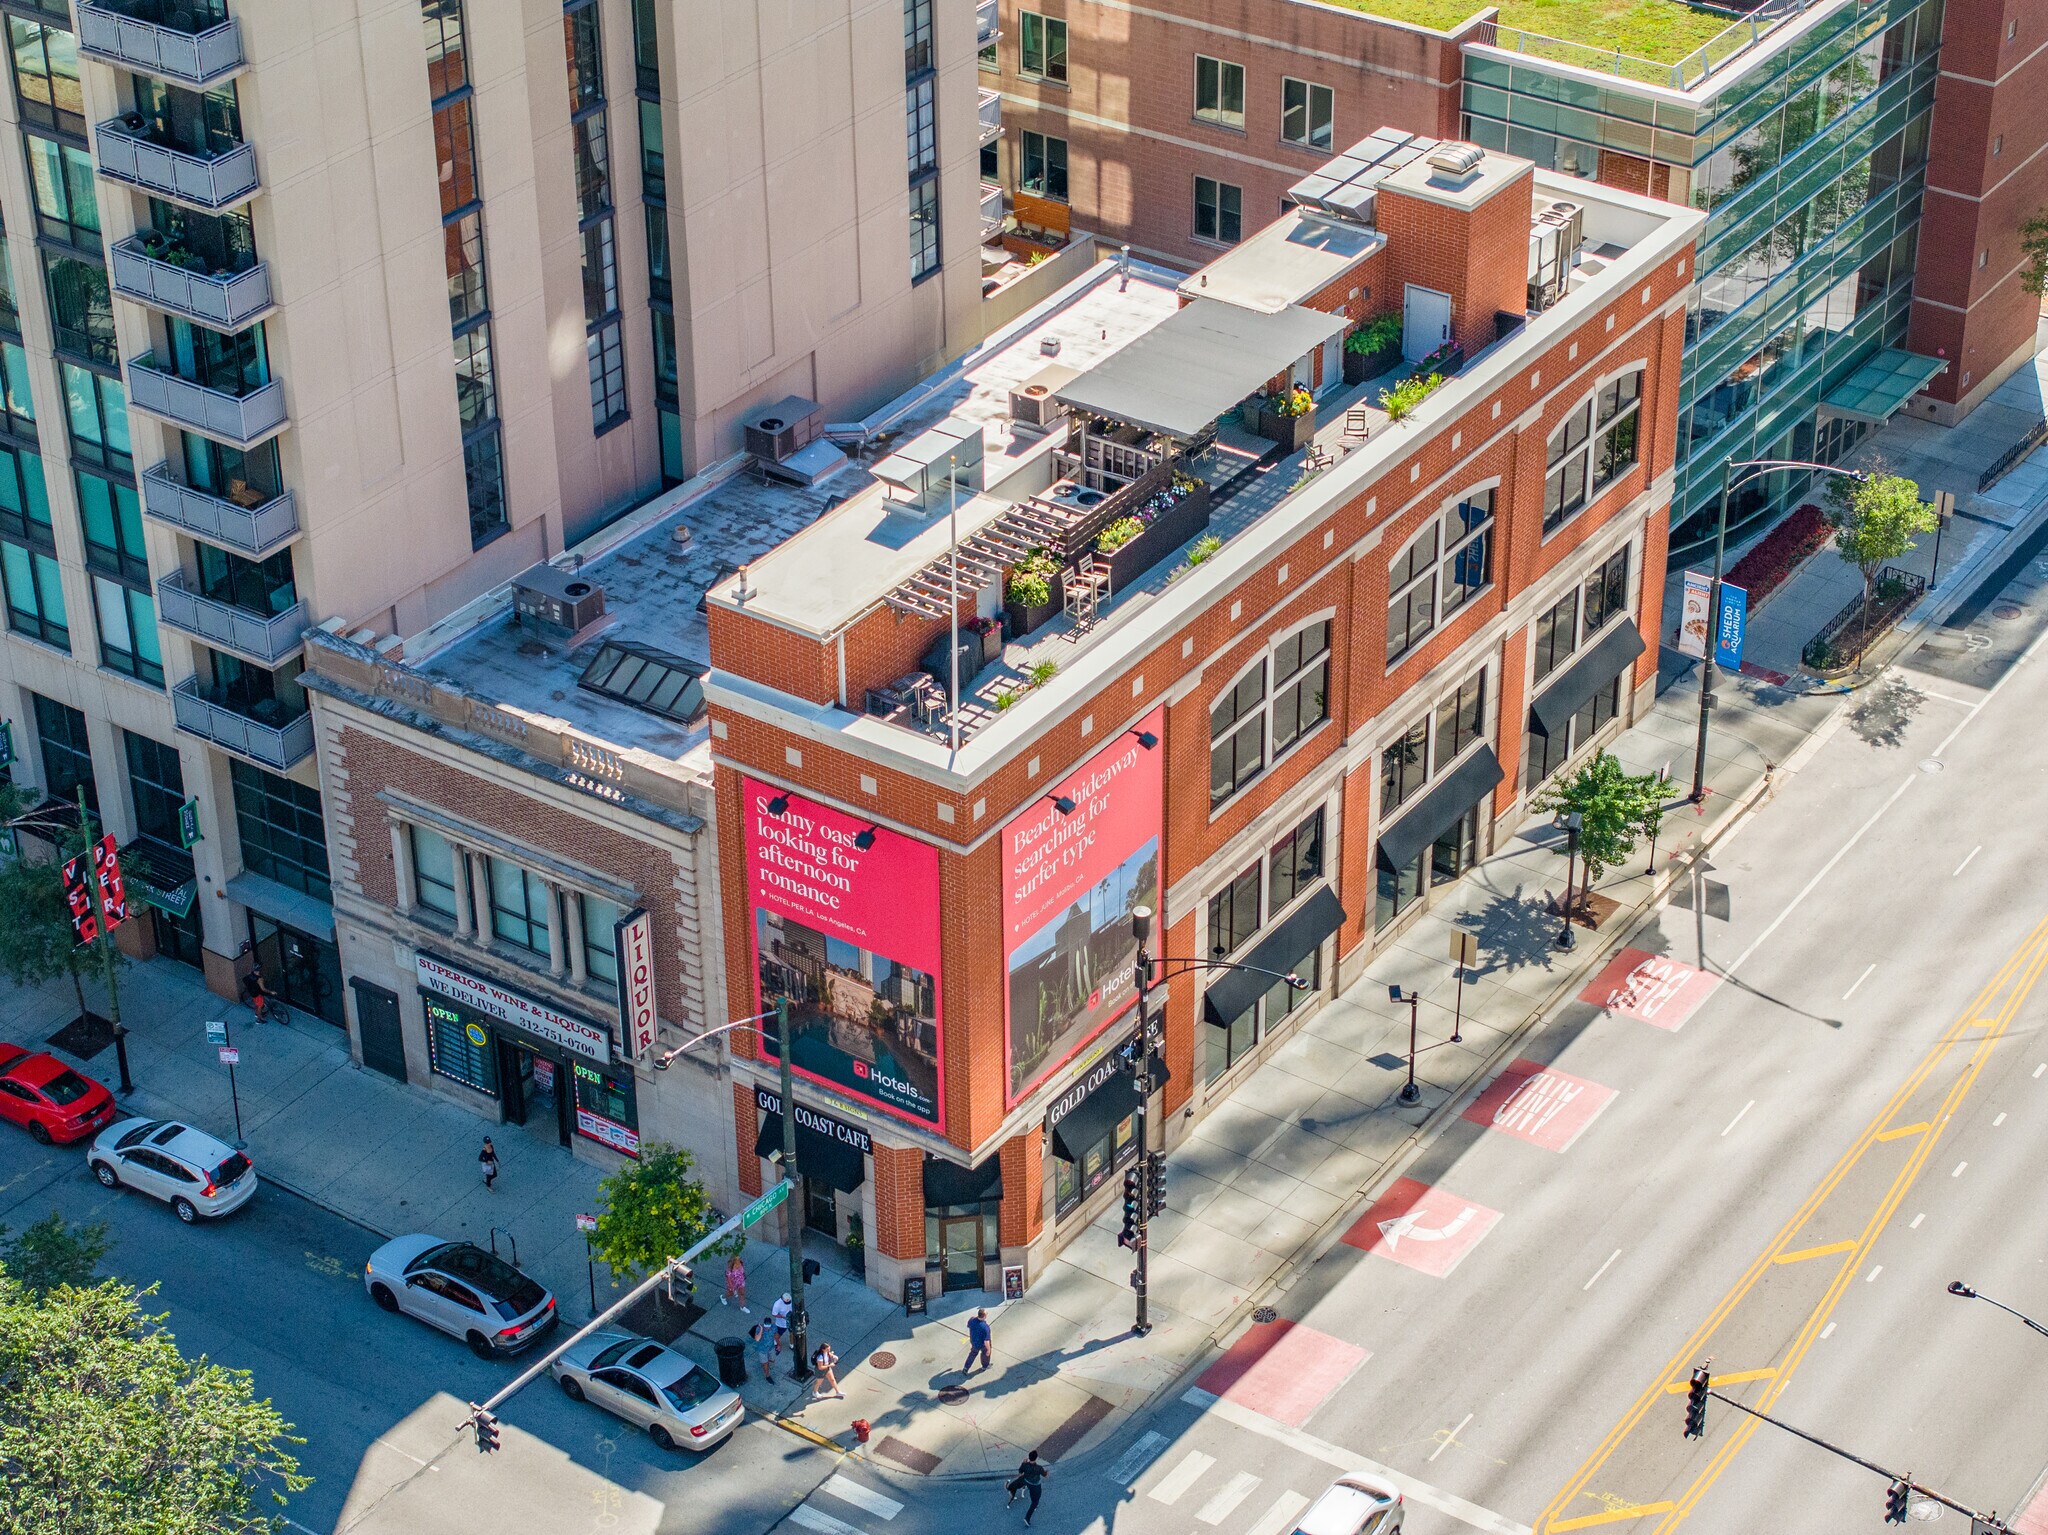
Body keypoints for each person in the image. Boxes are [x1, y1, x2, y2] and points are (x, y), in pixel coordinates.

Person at [1005, 1450, 1049, 1525]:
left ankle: (1030, 1501)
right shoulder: (1039, 1468)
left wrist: (1023, 1463)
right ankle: (1027, 1518)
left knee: (1031, 1493)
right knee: (1036, 1501)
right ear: (1036, 1458)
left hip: (1026, 1482)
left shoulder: (1024, 1465)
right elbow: (1046, 1476)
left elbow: (1020, 1472)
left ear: (1029, 1457)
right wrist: (1047, 1472)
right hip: (1035, 1485)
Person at [964, 1307, 993, 1376]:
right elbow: (986, 1341)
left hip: (974, 1342)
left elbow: (968, 1326)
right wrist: (989, 1350)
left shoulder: (972, 1320)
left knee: (972, 1354)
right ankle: (985, 1366)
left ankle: (966, 1368)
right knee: (985, 1355)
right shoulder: (985, 1327)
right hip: (982, 1345)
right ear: (984, 1316)